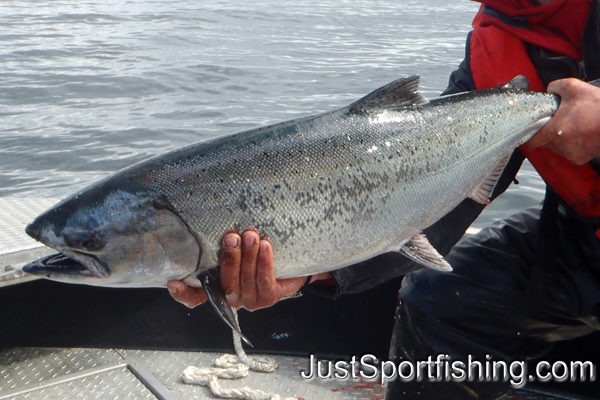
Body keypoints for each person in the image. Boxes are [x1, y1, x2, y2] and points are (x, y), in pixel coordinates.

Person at [168, 0, 600, 398]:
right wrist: (314, 265)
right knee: (437, 303)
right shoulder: (494, 43)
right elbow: (434, 197)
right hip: (580, 242)